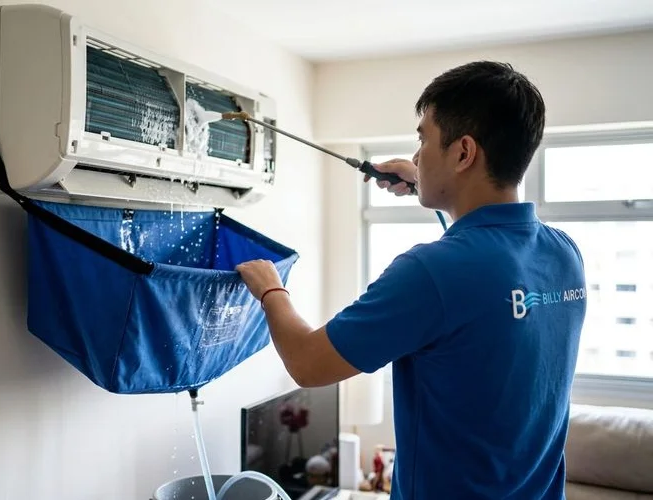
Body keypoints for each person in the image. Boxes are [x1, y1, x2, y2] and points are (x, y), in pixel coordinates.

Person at [235, 61, 587, 499]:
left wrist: (271, 290)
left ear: (463, 153)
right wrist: (432, 189)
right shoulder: (564, 253)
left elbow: (308, 363)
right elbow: (483, 275)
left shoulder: (430, 272)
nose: (417, 155)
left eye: (423, 139)